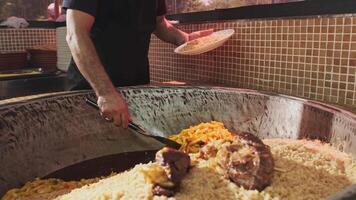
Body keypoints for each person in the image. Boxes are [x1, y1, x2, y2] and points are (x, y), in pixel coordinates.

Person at [63, 0, 213, 129]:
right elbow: (76, 34)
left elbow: (159, 22)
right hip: (91, 92)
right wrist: (105, 93)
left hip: (135, 89)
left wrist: (184, 38)